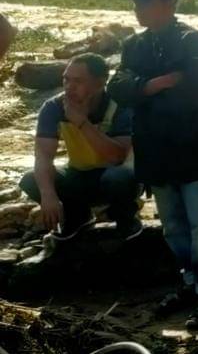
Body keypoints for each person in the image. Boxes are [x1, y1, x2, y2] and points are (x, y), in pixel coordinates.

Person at [108, 0, 198, 330]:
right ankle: (189, 284)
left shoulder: (193, 41)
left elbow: (193, 87)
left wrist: (141, 89)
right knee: (173, 226)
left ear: (168, 4)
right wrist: (152, 84)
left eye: (143, 2)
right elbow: (119, 86)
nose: (137, 8)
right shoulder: (134, 45)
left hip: (196, 147)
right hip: (156, 148)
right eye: (136, 3)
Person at [20, 53, 141, 241]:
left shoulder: (120, 106)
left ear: (100, 83)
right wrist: (48, 194)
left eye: (78, 81)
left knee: (118, 178)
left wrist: (81, 122)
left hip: (116, 175)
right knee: (31, 179)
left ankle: (126, 219)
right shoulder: (54, 107)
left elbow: (118, 157)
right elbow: (43, 156)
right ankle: (78, 217)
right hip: (79, 175)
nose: (69, 87)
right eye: (66, 80)